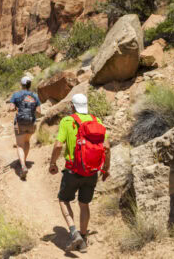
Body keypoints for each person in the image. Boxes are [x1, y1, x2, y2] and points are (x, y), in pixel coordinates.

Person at [48, 93, 110, 253]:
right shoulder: (97, 121)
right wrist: (106, 169)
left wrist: (53, 163)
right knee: (84, 204)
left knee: (63, 199)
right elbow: (107, 147)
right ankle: (83, 238)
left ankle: (74, 233)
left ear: (73, 107)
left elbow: (58, 146)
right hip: (92, 172)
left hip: (72, 171)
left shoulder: (67, 121)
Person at [8, 76, 41, 180]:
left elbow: (11, 108)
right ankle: (24, 162)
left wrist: (13, 109)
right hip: (31, 122)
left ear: (21, 84)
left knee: (20, 145)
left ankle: (22, 165)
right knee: (27, 142)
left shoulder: (16, 95)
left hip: (20, 122)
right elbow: (39, 112)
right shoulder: (35, 96)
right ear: (30, 85)